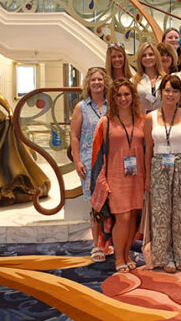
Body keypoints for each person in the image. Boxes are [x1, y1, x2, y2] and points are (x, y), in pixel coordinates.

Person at [144, 75, 181, 273]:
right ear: (161, 92)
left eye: (175, 91)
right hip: (159, 165)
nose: (170, 94)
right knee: (161, 213)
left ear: (180, 94)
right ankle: (165, 256)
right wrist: (147, 177)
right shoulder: (150, 117)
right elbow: (148, 149)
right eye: (167, 90)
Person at [97, 78, 145, 273]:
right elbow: (98, 154)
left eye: (127, 94)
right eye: (118, 95)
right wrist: (101, 181)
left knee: (133, 214)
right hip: (115, 176)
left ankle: (126, 254)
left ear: (133, 96)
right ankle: (118, 257)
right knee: (122, 217)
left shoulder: (142, 120)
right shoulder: (105, 122)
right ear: (113, 98)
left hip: (137, 175)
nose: (123, 98)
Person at [70, 67, 110, 262]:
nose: (97, 83)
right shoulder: (81, 107)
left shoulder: (113, 105)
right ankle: (96, 245)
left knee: (111, 203)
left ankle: (107, 242)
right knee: (96, 205)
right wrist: (77, 161)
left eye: (100, 79)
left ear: (105, 82)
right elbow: (74, 136)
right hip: (89, 162)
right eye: (93, 79)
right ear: (88, 83)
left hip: (110, 162)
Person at [132, 42, 165, 114]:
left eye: (151, 54)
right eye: (144, 55)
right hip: (142, 121)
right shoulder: (133, 81)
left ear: (156, 57)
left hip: (163, 121)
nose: (147, 58)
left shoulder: (165, 79)